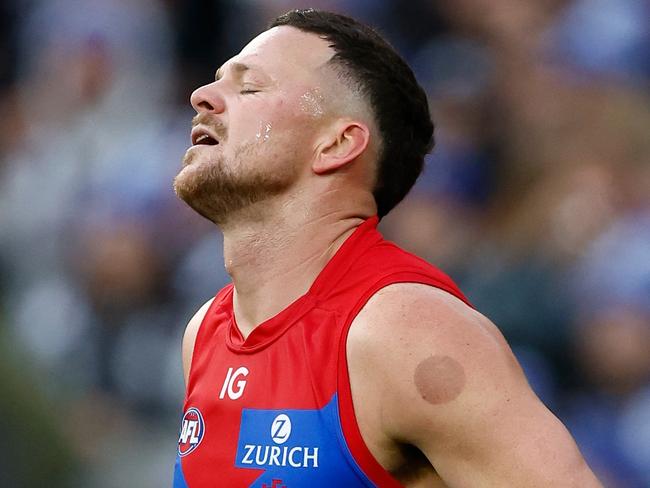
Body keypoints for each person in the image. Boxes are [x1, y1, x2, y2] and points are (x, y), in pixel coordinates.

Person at [172, 8, 601, 488]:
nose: (201, 97)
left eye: (249, 87)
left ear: (336, 145)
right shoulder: (205, 331)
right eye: (216, 81)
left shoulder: (407, 332)